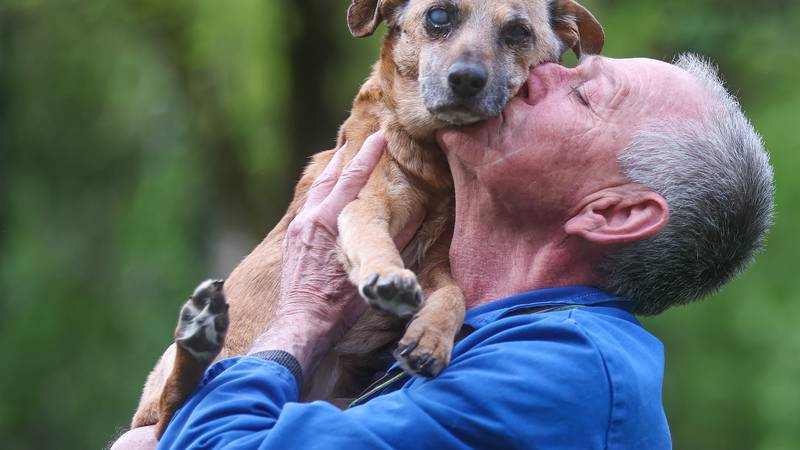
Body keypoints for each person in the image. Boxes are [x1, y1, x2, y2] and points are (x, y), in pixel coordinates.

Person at [111, 54, 774, 450]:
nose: (537, 72)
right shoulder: (474, 331)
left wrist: (298, 321)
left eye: (583, 93)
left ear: (616, 212)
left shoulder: (567, 374)